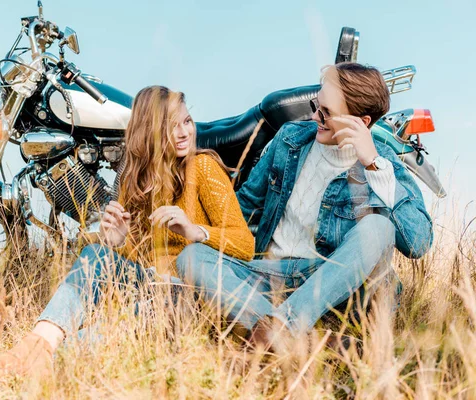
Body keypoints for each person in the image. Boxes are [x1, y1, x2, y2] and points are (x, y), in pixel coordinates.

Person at [0, 85, 255, 375]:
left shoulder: (202, 167)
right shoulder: (136, 180)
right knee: (95, 253)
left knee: (129, 320)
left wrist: (194, 231)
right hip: (150, 287)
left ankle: (48, 366)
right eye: (171, 126)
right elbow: (141, 261)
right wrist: (116, 241)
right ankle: (32, 348)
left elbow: (246, 245)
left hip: (189, 297)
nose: (184, 133)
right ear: (150, 131)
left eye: (187, 122)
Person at [176, 63, 433, 349]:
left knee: (378, 226)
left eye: (326, 113)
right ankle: (306, 340)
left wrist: (372, 164)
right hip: (272, 274)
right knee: (192, 257)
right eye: (316, 105)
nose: (314, 116)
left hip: (334, 285)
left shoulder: (382, 162)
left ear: (362, 122)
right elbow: (243, 208)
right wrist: (193, 225)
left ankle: (280, 329)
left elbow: (418, 243)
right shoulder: (290, 139)